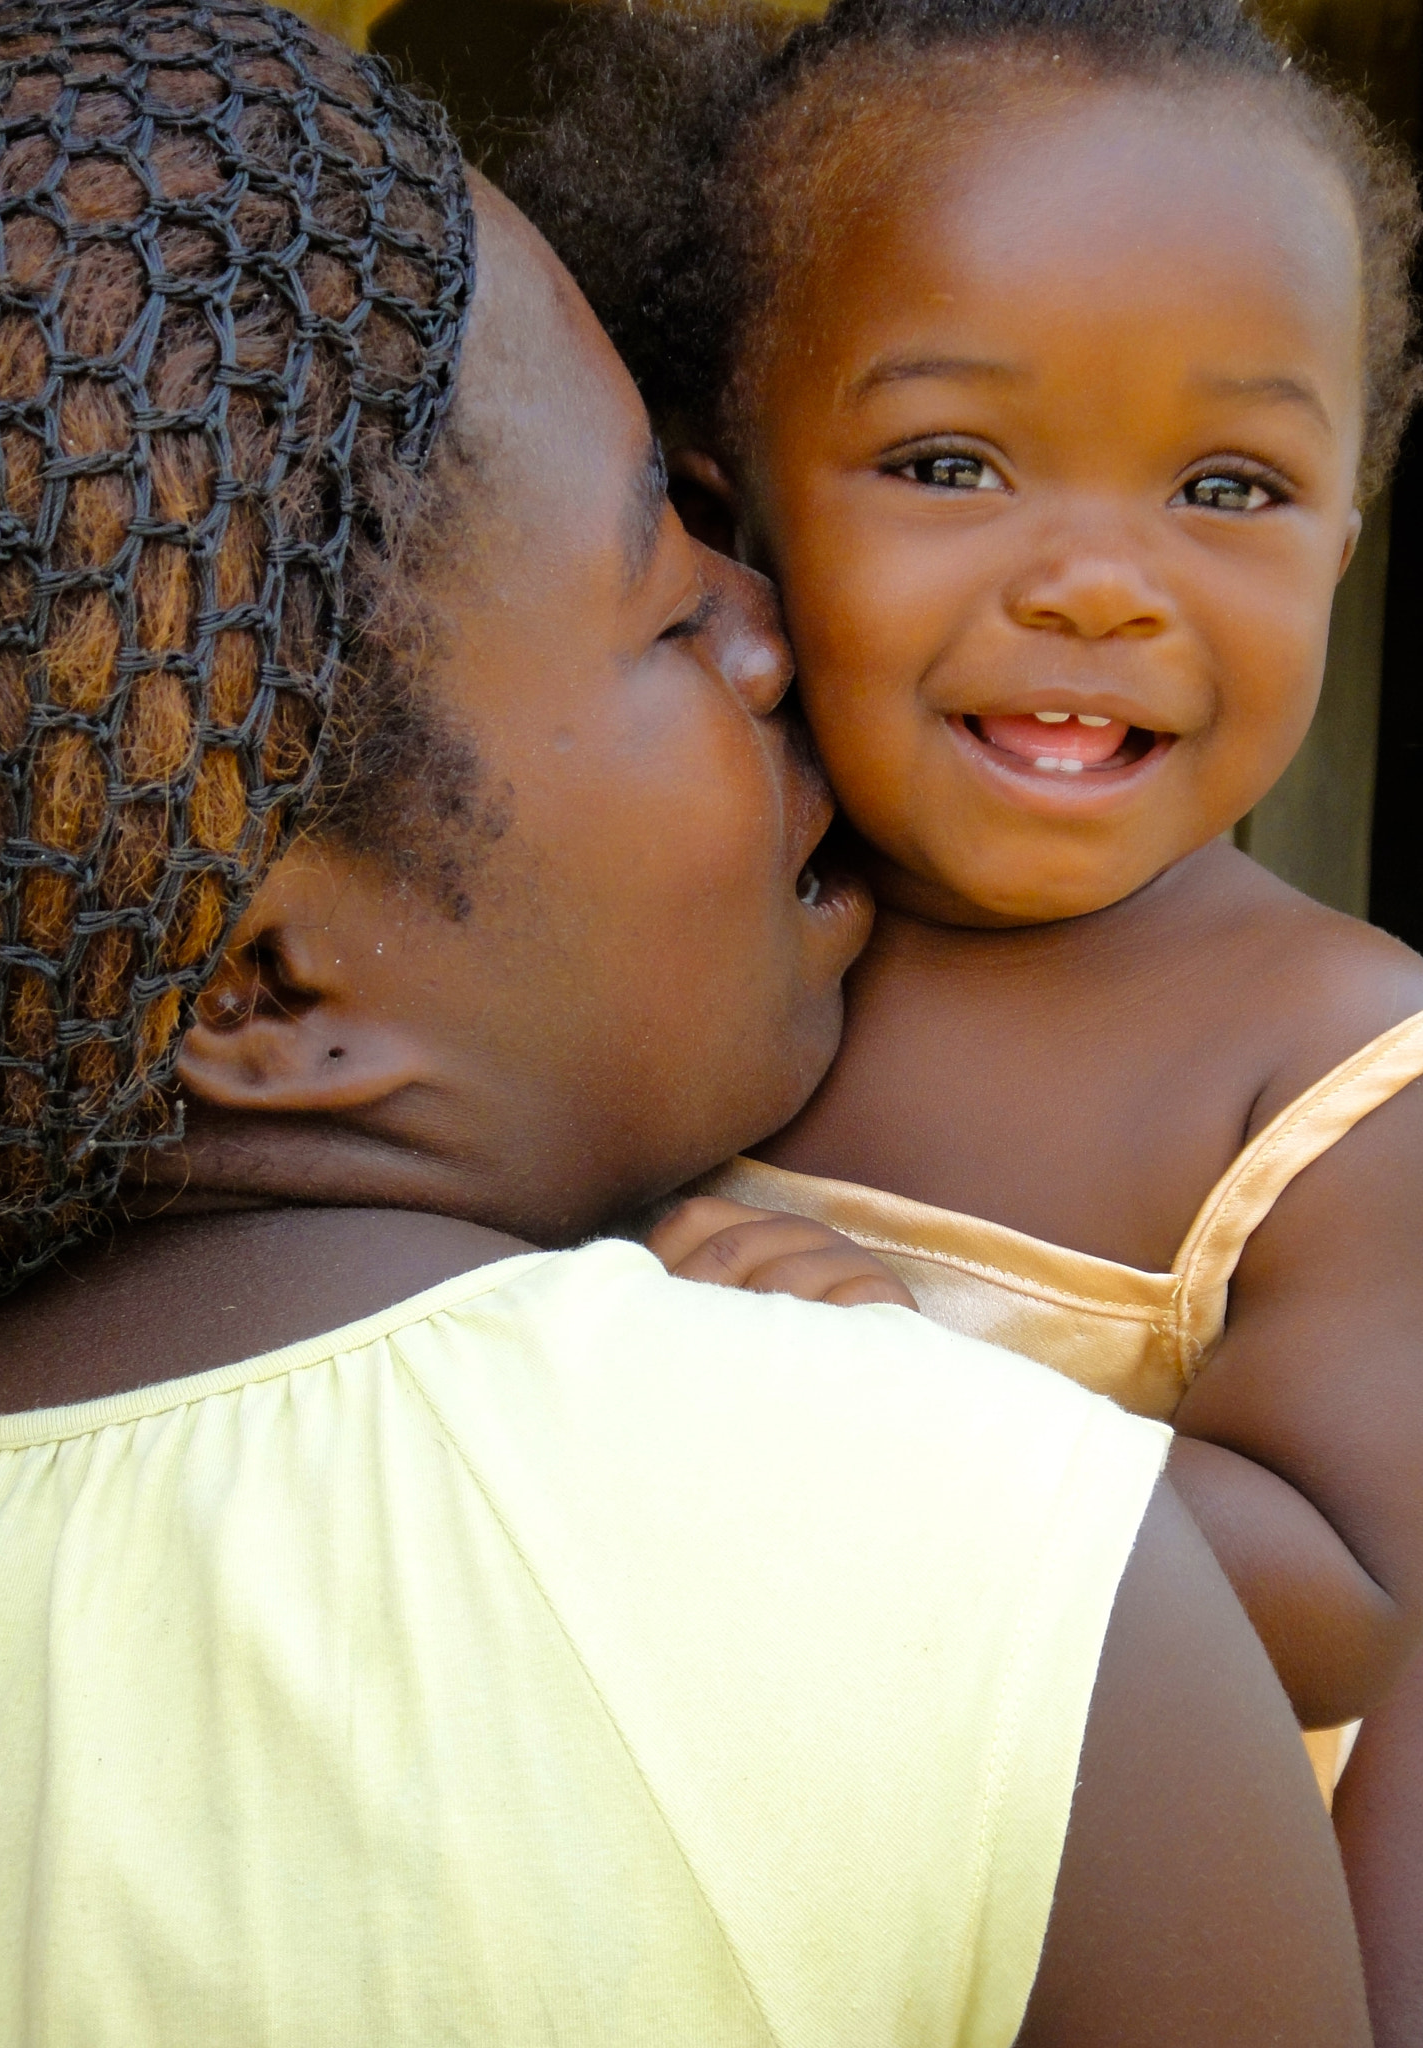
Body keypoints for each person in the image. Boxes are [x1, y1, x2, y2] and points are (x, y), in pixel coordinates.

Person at [0, 3, 1368, 2042]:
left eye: (1232, 482)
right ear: (262, 986)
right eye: (677, 590)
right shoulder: (1003, 1586)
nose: (770, 634)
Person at [513, 0, 1423, 1945]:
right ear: (726, 507)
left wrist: (889, 1402)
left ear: (1351, 525)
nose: (1101, 581)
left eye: (1234, 488)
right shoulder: (679, 944)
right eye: (949, 462)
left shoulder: (1341, 1071)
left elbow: (1344, 1590)